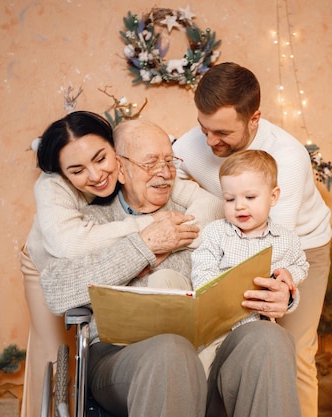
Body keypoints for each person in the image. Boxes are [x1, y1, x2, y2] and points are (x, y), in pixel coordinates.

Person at [39, 119, 302, 417]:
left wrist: (283, 293)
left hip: (210, 352)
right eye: (151, 163)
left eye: (169, 161)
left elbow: (257, 255)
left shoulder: (202, 214)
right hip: (122, 359)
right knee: (171, 351)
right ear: (120, 168)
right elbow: (56, 292)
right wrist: (143, 248)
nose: (164, 173)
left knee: (269, 339)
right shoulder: (88, 224)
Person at [20, 111, 220, 417]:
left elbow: (207, 202)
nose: (96, 175)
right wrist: (146, 240)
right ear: (64, 174)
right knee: (48, 354)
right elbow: (68, 250)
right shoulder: (56, 191)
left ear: (117, 154)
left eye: (101, 159)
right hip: (46, 259)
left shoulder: (158, 180)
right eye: (77, 170)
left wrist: (176, 236)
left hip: (165, 335)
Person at [173, 62, 332, 417]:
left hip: (297, 245)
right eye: (204, 129)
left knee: (294, 350)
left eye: (223, 133)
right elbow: (163, 178)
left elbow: (273, 245)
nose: (211, 141)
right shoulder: (192, 143)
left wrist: (284, 294)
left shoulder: (288, 158)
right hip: (229, 239)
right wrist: (210, 208)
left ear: (254, 118)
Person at [191, 149, 309, 327]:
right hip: (218, 322)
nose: (239, 206)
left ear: (273, 196)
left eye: (250, 197)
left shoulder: (287, 239)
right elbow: (202, 271)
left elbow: (301, 265)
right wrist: (224, 292)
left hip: (260, 324)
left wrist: (289, 275)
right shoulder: (215, 233)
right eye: (230, 199)